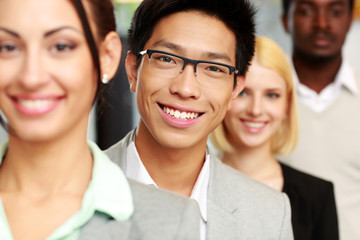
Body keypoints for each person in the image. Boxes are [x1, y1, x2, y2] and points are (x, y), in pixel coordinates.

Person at [0, 0, 201, 239]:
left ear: (107, 56)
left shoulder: (171, 222)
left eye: (61, 46)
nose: (31, 77)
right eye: (8, 47)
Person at [105, 0, 294, 239]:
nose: (185, 88)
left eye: (213, 68)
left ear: (235, 88)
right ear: (133, 69)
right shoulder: (72, 188)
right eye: (167, 59)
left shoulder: (269, 214)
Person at [211, 36, 339, 240]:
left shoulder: (317, 196)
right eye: (244, 94)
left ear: (287, 104)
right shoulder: (192, 184)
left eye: (271, 95)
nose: (256, 110)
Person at [281, 0, 360, 239]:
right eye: (306, 11)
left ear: (350, 20)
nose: (322, 24)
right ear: (286, 21)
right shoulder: (255, 103)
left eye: (335, 12)